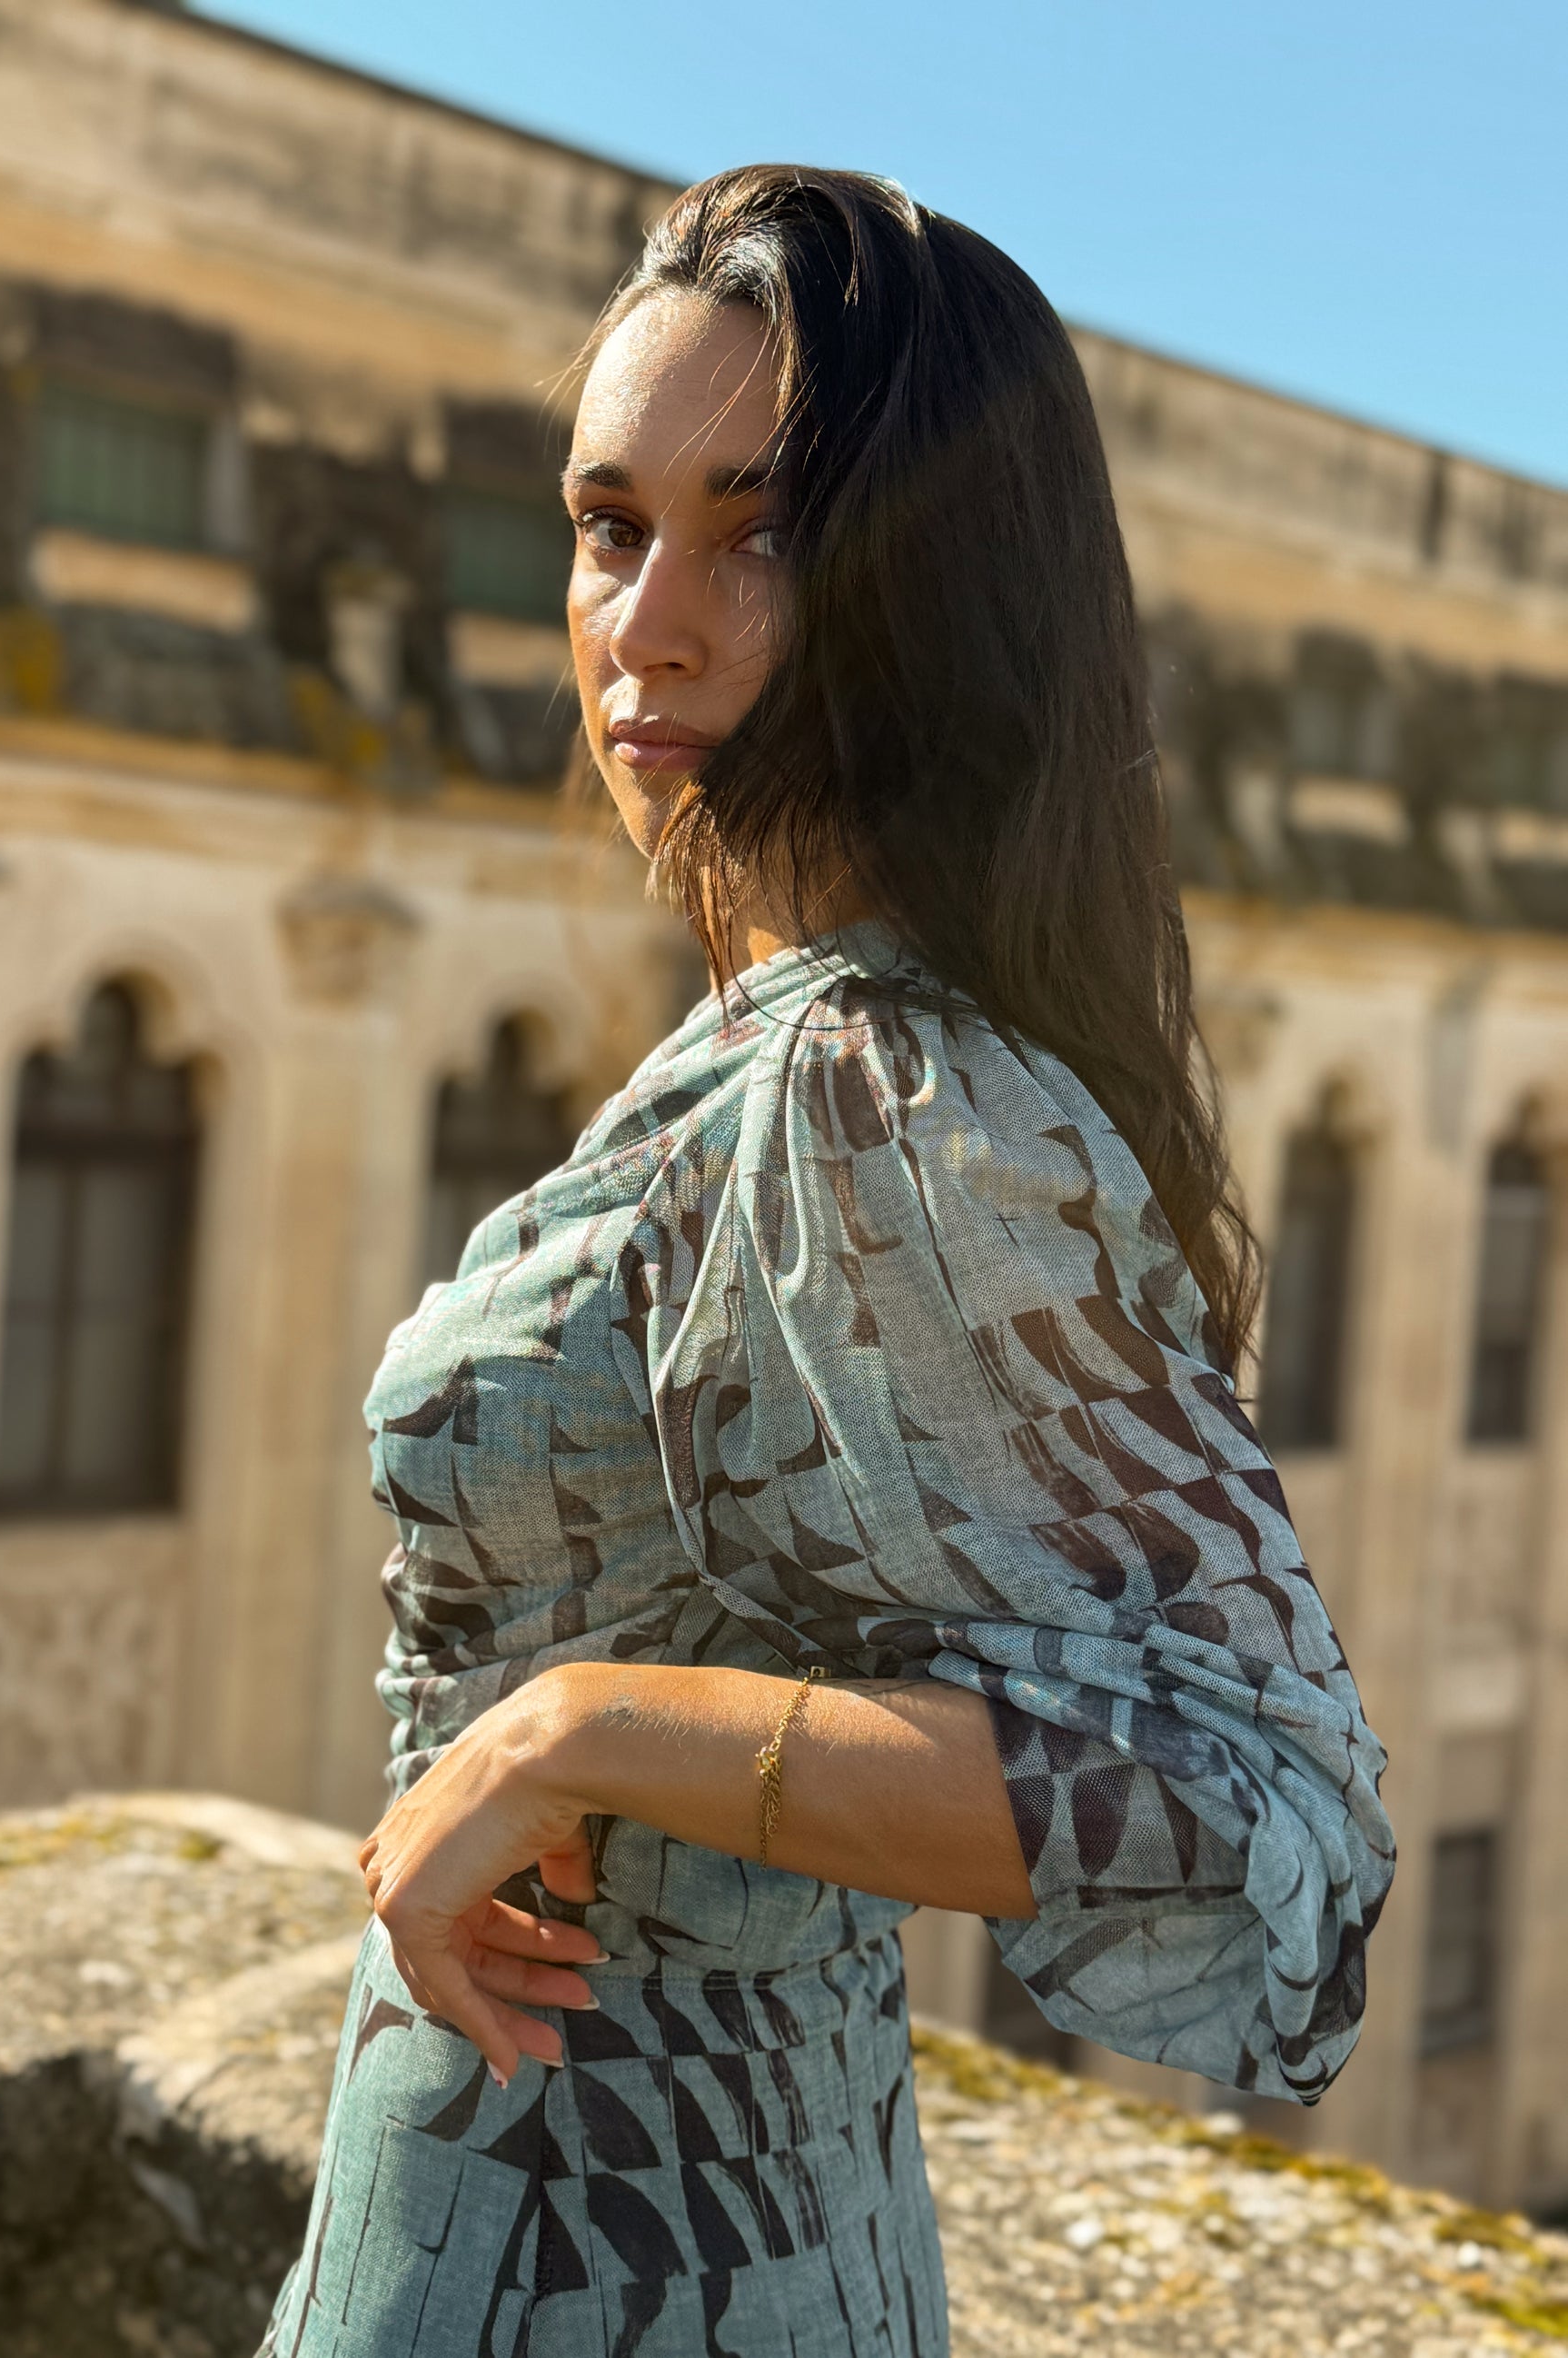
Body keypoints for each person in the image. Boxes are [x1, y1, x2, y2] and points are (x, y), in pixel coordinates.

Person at [263, 165, 1394, 2358]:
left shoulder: (873, 1085)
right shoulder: (806, 1040)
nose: (645, 624)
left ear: (930, 587)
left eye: (758, 533)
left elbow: (1261, 1818)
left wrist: (581, 1726)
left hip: (609, 2241)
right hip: (662, 2183)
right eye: (609, 525)